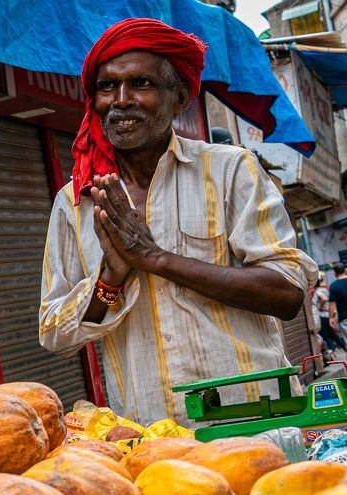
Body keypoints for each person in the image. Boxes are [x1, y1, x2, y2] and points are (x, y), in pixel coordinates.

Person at [39, 18, 318, 426]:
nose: (120, 100)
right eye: (106, 87)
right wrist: (109, 281)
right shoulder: (75, 203)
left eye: (141, 84)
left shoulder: (229, 170)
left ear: (181, 97)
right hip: (155, 440)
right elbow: (55, 333)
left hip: (256, 421)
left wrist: (156, 259)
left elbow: (287, 292)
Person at [329, 263, 347, 343]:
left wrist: (332, 318)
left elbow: (332, 304)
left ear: (335, 272)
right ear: (345, 270)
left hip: (344, 318)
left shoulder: (333, 286)